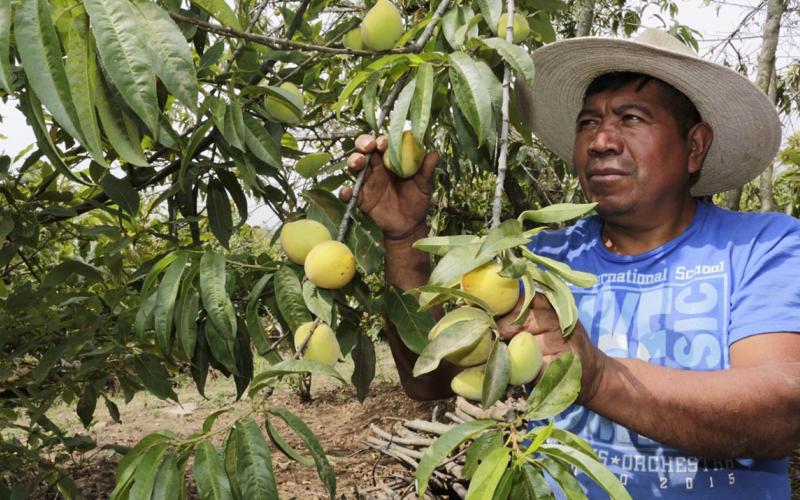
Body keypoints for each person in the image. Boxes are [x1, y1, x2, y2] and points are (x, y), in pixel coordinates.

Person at [343, 29, 800, 498]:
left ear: (695, 146)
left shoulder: (762, 246)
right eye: (587, 123)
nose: (601, 140)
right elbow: (432, 378)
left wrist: (596, 376)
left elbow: (782, 411)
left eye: (631, 118)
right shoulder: (538, 258)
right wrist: (403, 239)